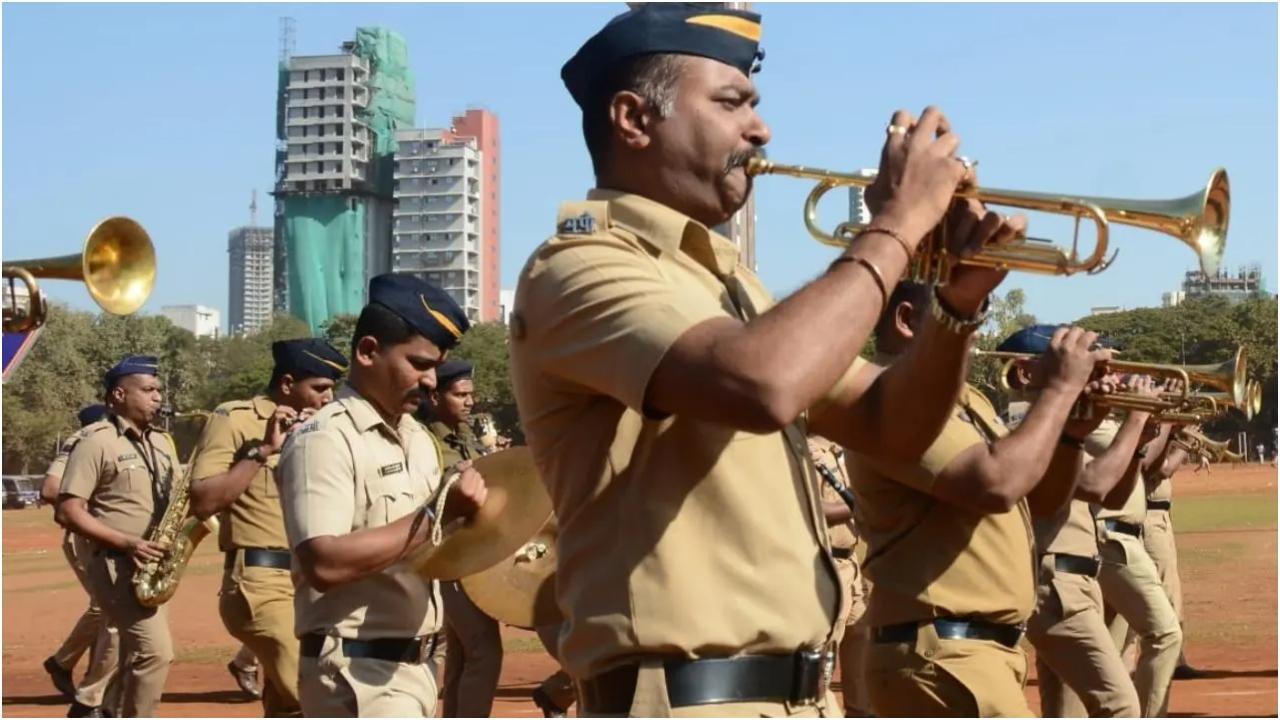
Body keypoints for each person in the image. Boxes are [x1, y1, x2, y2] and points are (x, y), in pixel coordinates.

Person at [511, 4, 1025, 715]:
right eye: (732, 102)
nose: (761, 129)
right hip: (686, 700)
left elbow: (893, 426)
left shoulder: (728, 284)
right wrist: (898, 225)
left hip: (798, 697)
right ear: (633, 119)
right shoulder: (579, 266)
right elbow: (763, 384)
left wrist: (958, 306)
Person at [848, 305, 1112, 716]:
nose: (977, 329)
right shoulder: (892, 398)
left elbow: (1040, 502)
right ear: (907, 320)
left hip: (973, 653)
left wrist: (1071, 436)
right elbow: (997, 485)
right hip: (945, 655)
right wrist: (1059, 392)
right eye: (961, 311)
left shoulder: (966, 399)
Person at [278, 274, 487, 718]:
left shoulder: (416, 438)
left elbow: (424, 550)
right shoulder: (325, 438)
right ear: (368, 351)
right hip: (357, 673)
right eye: (419, 363)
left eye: (436, 366)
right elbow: (323, 562)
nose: (432, 380)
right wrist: (438, 516)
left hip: (416, 669)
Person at [1004, 334, 1164, 718]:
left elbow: (1111, 496)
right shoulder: (1030, 429)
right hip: (1055, 584)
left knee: (1066, 713)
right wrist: (1137, 416)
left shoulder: (1060, 424)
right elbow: (1093, 483)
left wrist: (1140, 440)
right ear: (1026, 372)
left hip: (1076, 579)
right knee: (1121, 705)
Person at [188, 338, 348, 717]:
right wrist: (262, 452)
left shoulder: (326, 426)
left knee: (285, 702)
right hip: (260, 582)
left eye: (331, 389)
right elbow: (203, 499)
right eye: (320, 389)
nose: (328, 398)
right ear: (288, 384)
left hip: (311, 582)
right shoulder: (235, 418)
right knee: (318, 696)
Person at [55, 356, 179, 718]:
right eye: (148, 390)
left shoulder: (163, 442)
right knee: (155, 653)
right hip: (115, 564)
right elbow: (68, 510)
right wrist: (127, 542)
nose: (157, 397)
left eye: (159, 390)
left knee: (131, 656)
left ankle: (103, 709)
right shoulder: (96, 442)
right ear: (119, 395)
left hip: (153, 568)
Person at [417, 359, 504, 717]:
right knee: (484, 651)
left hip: (470, 558)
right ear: (435, 396)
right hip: (447, 559)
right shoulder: (423, 440)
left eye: (471, 394)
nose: (469, 402)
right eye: (460, 394)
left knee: (461, 655)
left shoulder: (465, 437)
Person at [1095, 418, 1184, 717]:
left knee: (1113, 648)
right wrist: (1165, 426)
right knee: (1165, 633)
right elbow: (1148, 466)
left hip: (1124, 536)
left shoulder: (1111, 423)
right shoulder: (1093, 426)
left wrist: (1155, 431)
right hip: (1110, 539)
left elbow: (1143, 462)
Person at [41, 404, 121, 718]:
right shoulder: (84, 438)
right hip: (87, 536)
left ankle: (70, 667)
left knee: (108, 610)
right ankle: (89, 693)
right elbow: (50, 489)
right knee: (108, 609)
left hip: (105, 536)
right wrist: (86, 514)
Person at [1136, 426, 1208, 680]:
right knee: (1165, 591)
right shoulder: (1150, 431)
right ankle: (1172, 661)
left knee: (1171, 589)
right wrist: (1185, 443)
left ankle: (1175, 658)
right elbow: (1162, 469)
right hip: (1150, 516)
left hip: (1161, 516)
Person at [809, 436, 869, 717]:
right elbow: (815, 508)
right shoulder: (806, 451)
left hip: (851, 564)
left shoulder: (842, 451)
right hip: (825, 563)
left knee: (863, 667)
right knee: (822, 663)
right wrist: (864, 502)